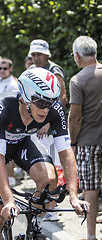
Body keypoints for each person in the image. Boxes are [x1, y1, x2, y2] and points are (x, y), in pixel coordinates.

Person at [0, 67, 89, 240]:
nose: (46, 109)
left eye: (50, 103)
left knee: (49, 178)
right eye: (41, 103)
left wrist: (73, 196)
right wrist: (7, 201)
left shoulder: (54, 109)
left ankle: (33, 224)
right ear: (26, 97)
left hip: (20, 142)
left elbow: (66, 153)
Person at [28, 39, 68, 221]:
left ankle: (51, 207)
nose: (36, 58)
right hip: (35, 128)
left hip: (49, 127)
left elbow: (62, 98)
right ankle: (46, 205)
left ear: (47, 55)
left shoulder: (54, 70)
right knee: (41, 165)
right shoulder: (31, 71)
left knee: (51, 165)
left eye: (39, 54)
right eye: (33, 54)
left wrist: (48, 123)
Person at [68, 36, 102, 240]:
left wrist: (72, 142)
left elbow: (75, 116)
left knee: (91, 189)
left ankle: (91, 236)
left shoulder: (77, 80)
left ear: (77, 56)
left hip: (88, 142)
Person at [0, 57, 19, 187]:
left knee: (8, 148)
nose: (2, 71)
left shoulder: (13, 83)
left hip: (10, 119)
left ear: (10, 69)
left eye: (5, 68)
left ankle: (11, 177)